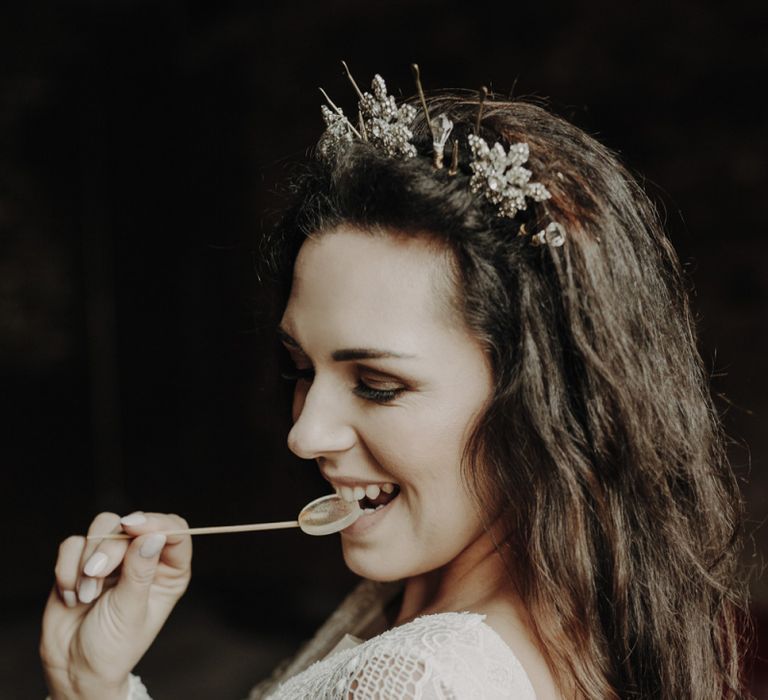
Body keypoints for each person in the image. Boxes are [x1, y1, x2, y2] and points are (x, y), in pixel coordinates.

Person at [40, 67, 750, 699]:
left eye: (378, 383)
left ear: (541, 400)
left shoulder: (420, 681)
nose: (304, 434)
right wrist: (91, 684)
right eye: (300, 368)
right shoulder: (449, 607)